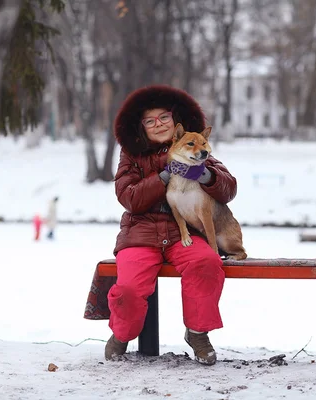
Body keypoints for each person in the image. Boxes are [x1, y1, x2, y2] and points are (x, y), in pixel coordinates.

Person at [104, 85, 237, 365]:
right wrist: (163, 177)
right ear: (141, 126)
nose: (158, 124)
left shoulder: (194, 145)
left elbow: (228, 189)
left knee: (206, 264)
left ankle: (198, 332)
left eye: (163, 117)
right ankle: (121, 334)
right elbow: (128, 197)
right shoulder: (131, 155)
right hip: (140, 234)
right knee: (128, 288)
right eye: (150, 121)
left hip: (184, 234)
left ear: (174, 119)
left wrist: (206, 176)